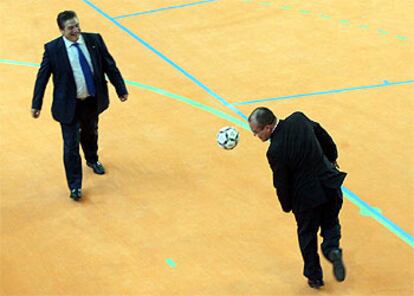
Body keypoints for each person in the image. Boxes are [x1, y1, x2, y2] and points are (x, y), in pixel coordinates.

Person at [31, 10, 129, 201]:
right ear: (61, 30)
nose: (76, 30)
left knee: (91, 132)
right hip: (68, 105)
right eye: (71, 28)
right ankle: (75, 185)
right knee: (70, 146)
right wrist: (37, 103)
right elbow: (41, 78)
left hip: (90, 101)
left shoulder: (94, 40)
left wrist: (121, 88)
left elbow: (110, 65)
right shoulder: (53, 50)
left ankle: (92, 159)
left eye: (77, 25)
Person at [248, 107, 346, 289]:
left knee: (307, 235)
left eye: (256, 132)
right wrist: (332, 158)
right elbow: (322, 135)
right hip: (329, 182)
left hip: (306, 198)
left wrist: (286, 205)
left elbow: (282, 182)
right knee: (331, 221)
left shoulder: (275, 150)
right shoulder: (299, 119)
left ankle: (314, 277)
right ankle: (332, 249)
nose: (256, 136)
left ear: (268, 127)